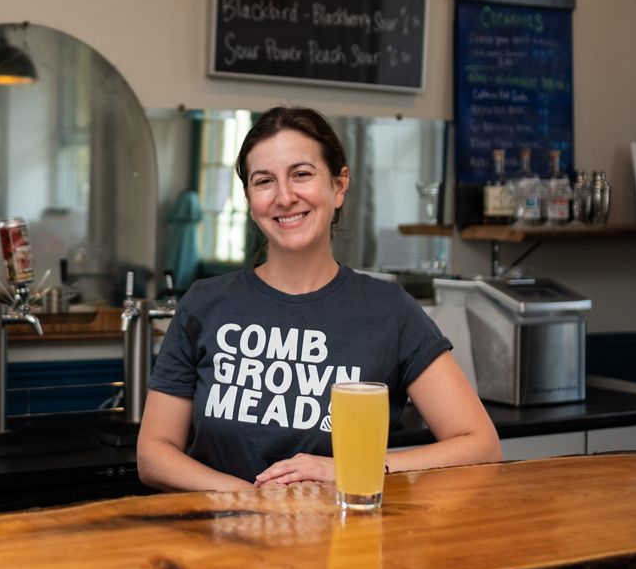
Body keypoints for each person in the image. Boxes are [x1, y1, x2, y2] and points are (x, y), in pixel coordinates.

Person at [137, 106, 500, 492]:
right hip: (222, 528)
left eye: (301, 175)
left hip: (344, 528)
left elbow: (480, 445)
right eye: (264, 181)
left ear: (339, 187)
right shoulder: (205, 303)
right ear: (249, 199)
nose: (284, 197)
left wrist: (352, 469)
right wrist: (250, 498)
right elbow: (154, 454)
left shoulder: (389, 310)